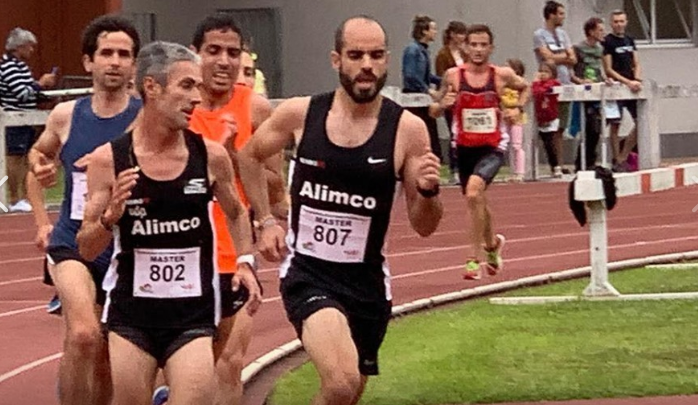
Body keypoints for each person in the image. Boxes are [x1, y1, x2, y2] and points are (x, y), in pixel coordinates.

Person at [238, 15, 443, 405]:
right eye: (356, 55)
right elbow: (248, 156)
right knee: (341, 382)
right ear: (337, 61)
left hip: (366, 283)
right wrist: (265, 220)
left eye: (376, 55)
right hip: (309, 275)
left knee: (348, 394)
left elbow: (424, 226)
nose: (366, 64)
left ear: (386, 61)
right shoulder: (302, 114)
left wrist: (429, 191)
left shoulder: (407, 129)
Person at [76, 41, 262, 405]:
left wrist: (245, 262)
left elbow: (238, 213)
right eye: (187, 86)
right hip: (132, 316)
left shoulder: (209, 155)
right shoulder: (109, 160)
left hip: (192, 314)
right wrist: (109, 217)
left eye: (198, 86)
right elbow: (86, 246)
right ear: (151, 87)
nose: (197, 97)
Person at [25, 15, 141, 405]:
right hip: (72, 241)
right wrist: (42, 217)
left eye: (124, 54)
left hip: (126, 246)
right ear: (88, 62)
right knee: (83, 334)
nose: (115, 61)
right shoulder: (67, 115)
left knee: (107, 354)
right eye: (106, 53)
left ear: (134, 65)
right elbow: (38, 158)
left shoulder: (145, 118)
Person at [184, 14, 280, 405]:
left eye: (232, 53)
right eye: (213, 51)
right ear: (195, 54)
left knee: (228, 361)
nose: (224, 61)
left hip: (234, 249)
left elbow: (275, 182)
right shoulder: (177, 106)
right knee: (185, 362)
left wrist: (238, 157)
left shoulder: (255, 109)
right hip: (180, 248)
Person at [430, 24, 529, 280]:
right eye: (473, 44)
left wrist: (517, 108)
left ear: (491, 47)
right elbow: (433, 109)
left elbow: (526, 87)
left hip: (493, 146)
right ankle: (493, 245)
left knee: (474, 192)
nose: (478, 49)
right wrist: (443, 105)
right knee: (477, 199)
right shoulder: (453, 75)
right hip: (463, 146)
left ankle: (472, 259)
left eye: (483, 44)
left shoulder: (501, 75)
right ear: (465, 46)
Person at [1, 27, 57, 212]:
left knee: (25, 158)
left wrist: (45, 93)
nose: (32, 51)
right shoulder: (8, 66)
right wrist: (40, 84)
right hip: (14, 118)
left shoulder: (21, 67)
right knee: (14, 159)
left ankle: (25, 196)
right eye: (29, 47)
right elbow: (22, 93)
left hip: (25, 119)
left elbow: (30, 94)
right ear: (19, 47)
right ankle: (15, 198)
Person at [533, 0, 576, 177]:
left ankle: (560, 162)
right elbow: (546, 58)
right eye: (560, 14)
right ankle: (553, 163)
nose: (562, 17)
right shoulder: (539, 35)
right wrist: (563, 56)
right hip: (549, 87)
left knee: (561, 127)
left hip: (565, 84)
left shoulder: (563, 34)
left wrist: (562, 58)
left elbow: (573, 58)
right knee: (549, 125)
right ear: (551, 15)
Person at [603, 9, 643, 172]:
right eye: (616, 22)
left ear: (626, 22)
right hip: (616, 88)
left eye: (621, 21)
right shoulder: (607, 42)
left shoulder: (629, 40)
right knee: (615, 124)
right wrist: (627, 82)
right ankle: (616, 158)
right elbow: (608, 69)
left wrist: (637, 80)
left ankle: (623, 156)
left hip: (632, 88)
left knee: (640, 122)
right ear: (611, 23)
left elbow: (637, 62)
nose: (619, 24)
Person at [571, 17, 612, 171]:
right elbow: (571, 72)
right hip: (584, 93)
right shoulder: (578, 48)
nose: (603, 33)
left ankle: (590, 161)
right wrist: (580, 81)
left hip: (598, 92)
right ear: (591, 31)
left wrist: (606, 80)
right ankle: (581, 162)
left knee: (598, 128)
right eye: (600, 30)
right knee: (589, 127)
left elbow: (601, 70)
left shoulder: (601, 49)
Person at [402, 14, 442, 159]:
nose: (435, 32)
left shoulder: (423, 50)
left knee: (430, 131)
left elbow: (426, 75)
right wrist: (428, 90)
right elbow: (410, 75)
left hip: (421, 97)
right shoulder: (413, 50)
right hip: (414, 99)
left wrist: (442, 81)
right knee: (423, 130)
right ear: (424, 31)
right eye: (433, 29)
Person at [435, 21, 468, 185]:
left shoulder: (464, 54)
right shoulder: (443, 55)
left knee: (465, 133)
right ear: (453, 35)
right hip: (451, 99)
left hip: (466, 99)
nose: (463, 37)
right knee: (454, 133)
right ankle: (453, 170)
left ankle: (465, 168)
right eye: (461, 34)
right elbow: (443, 77)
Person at [532, 61, 562, 175]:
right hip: (539, 118)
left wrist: (536, 82)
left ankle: (556, 166)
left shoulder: (554, 83)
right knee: (543, 143)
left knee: (550, 142)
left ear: (553, 73)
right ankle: (544, 167)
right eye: (541, 71)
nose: (543, 74)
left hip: (551, 117)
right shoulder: (538, 83)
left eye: (546, 72)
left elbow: (539, 92)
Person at [501, 58, 527, 182]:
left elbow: (526, 94)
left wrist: (518, 108)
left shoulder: (520, 83)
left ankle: (520, 172)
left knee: (517, 145)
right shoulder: (502, 83)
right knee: (504, 143)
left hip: (516, 115)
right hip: (504, 113)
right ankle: (512, 170)